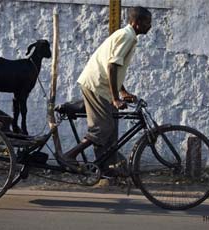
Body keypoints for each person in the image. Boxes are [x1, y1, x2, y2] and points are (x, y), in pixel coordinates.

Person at [63, 6, 152, 172]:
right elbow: (111, 66)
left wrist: (122, 91)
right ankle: (69, 155)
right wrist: (115, 98)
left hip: (100, 84)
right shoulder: (127, 36)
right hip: (97, 85)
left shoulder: (127, 35)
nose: (150, 26)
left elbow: (114, 66)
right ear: (136, 22)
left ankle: (105, 171)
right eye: (147, 22)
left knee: (110, 133)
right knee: (103, 128)